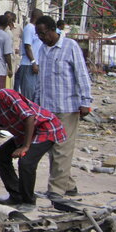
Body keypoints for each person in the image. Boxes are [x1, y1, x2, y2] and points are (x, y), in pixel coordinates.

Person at [0, 89, 66, 211]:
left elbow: (29, 117)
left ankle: (28, 201)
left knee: (26, 162)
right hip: (23, 134)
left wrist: (25, 146)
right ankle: (16, 195)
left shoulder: (5, 96)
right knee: (0, 155)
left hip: (45, 128)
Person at [36, 15, 93, 199]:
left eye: (43, 34)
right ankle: (68, 185)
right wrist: (37, 105)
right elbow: (41, 80)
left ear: (53, 30)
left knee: (63, 147)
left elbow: (82, 74)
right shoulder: (43, 50)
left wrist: (86, 101)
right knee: (54, 149)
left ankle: (56, 190)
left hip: (68, 106)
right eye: (38, 34)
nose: (41, 38)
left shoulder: (70, 47)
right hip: (48, 107)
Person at [14, 9, 43, 103]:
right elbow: (27, 46)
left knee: (35, 94)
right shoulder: (29, 28)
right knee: (28, 95)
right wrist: (33, 62)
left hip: (35, 65)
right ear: (37, 17)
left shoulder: (35, 29)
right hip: (28, 65)